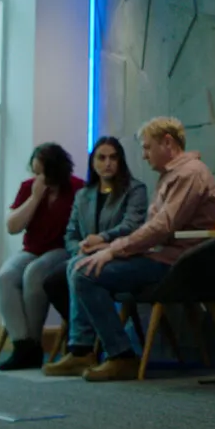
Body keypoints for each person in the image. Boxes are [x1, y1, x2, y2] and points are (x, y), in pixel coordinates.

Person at [43, 117, 215, 381]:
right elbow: (154, 229)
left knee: (85, 273)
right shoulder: (171, 176)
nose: (144, 155)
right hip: (161, 256)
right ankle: (83, 351)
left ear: (168, 143)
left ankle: (121, 356)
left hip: (178, 265)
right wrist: (109, 247)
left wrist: (113, 250)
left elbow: (161, 227)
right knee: (78, 265)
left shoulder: (189, 174)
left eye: (148, 148)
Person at [42, 136, 151, 344]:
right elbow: (71, 234)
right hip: (87, 254)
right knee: (52, 282)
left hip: (119, 255)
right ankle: (91, 335)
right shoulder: (83, 195)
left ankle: (81, 346)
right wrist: (80, 249)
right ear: (93, 162)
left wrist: (102, 239)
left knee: (78, 269)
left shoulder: (134, 190)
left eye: (113, 158)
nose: (107, 163)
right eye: (101, 158)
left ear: (121, 161)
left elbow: (131, 226)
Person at [0, 143, 85, 370]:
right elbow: (13, 226)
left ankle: (33, 341)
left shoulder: (77, 189)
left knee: (34, 274)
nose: (37, 177)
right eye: (35, 172)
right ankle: (23, 344)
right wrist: (34, 198)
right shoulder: (29, 188)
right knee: (5, 277)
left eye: (42, 173)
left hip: (62, 249)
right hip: (31, 249)